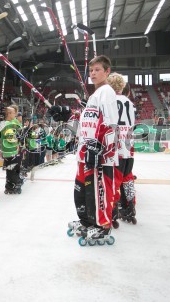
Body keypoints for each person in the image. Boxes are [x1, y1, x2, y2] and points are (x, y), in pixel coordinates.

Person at [53, 55, 118, 245]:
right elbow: (87, 123)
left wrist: (99, 147)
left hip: (98, 154)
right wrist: (66, 115)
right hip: (84, 153)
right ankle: (87, 220)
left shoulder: (106, 92)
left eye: (98, 70)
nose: (93, 73)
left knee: (97, 192)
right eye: (91, 70)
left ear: (107, 72)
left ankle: (101, 225)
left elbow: (111, 123)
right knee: (82, 191)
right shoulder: (94, 96)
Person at [109, 76, 137, 225]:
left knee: (114, 181)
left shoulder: (111, 101)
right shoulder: (130, 103)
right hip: (128, 147)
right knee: (128, 179)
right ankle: (130, 206)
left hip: (116, 148)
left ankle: (112, 210)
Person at [0, 106, 24, 194]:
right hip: (10, 150)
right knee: (11, 168)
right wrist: (17, 140)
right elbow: (9, 138)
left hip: (10, 150)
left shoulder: (8, 123)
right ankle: (12, 185)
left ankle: (10, 185)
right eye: (13, 113)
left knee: (11, 168)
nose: (15, 115)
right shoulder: (6, 124)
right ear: (9, 114)